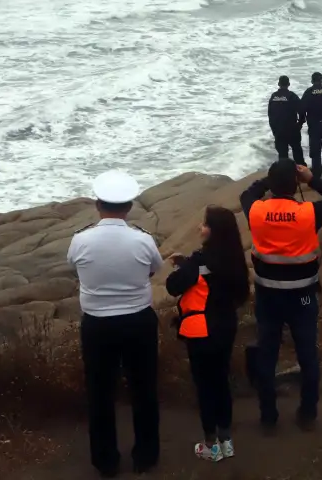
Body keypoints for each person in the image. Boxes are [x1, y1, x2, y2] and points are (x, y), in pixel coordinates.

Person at [239, 159, 322, 431]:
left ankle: (268, 417)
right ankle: (307, 413)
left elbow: (247, 194)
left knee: (267, 355)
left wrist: (269, 180)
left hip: (268, 295)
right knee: (307, 355)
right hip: (302, 296)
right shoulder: (308, 213)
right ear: (295, 184)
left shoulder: (256, 211)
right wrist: (311, 179)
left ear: (272, 185)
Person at [67, 170, 162, 477]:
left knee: (99, 392)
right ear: (129, 207)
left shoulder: (80, 240)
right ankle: (145, 456)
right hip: (138, 322)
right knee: (144, 388)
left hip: (97, 325)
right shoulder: (143, 240)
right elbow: (154, 269)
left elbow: (75, 269)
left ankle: (105, 460)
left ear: (98, 205)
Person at [166, 205, 250, 463]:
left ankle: (210, 445)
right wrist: (188, 264)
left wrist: (183, 266)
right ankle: (227, 442)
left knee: (205, 386)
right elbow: (239, 294)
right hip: (225, 327)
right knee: (221, 381)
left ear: (213, 231)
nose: (199, 228)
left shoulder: (200, 261)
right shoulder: (235, 259)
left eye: (204, 224)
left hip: (200, 330)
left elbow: (173, 286)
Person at [267, 76, 305, 165]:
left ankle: (284, 175)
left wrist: (274, 129)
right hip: (292, 129)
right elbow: (302, 111)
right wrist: (299, 124)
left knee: (282, 155)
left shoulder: (273, 96)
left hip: (279, 130)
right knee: (297, 152)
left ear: (279, 84)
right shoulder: (292, 96)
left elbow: (270, 114)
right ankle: (302, 173)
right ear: (288, 84)